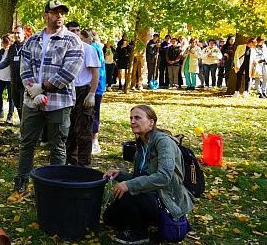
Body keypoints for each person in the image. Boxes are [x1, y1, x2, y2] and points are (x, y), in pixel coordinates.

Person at [10, 0, 84, 199]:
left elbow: (69, 72)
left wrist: (42, 87)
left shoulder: (72, 41)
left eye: (62, 13)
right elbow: (24, 68)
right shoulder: (32, 40)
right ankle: (21, 184)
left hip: (59, 102)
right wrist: (32, 90)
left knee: (58, 145)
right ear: (46, 15)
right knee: (27, 143)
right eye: (54, 12)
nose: (59, 16)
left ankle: (55, 188)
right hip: (32, 101)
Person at [103, 105, 194, 244]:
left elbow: (164, 177)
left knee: (128, 196)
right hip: (149, 195)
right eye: (131, 118)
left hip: (166, 199)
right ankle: (143, 222)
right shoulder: (141, 144)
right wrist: (120, 175)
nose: (132, 121)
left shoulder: (163, 142)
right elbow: (141, 178)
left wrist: (129, 185)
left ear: (151, 122)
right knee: (109, 218)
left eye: (137, 117)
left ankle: (139, 234)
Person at [65, 22, 99, 167]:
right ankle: (70, 160)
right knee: (68, 128)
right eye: (72, 30)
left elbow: (95, 72)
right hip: (67, 90)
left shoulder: (88, 49)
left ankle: (84, 164)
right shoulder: (63, 49)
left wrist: (91, 93)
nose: (76, 33)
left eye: (78, 30)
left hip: (83, 91)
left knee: (84, 129)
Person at [0, 25, 26, 120]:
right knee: (17, 105)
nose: (17, 35)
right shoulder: (12, 48)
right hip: (14, 81)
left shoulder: (28, 46)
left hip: (25, 83)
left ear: (24, 34)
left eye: (19, 33)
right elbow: (6, 62)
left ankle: (24, 128)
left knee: (24, 106)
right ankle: (22, 125)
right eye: (15, 33)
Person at [85, 29, 106, 155]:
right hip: (97, 86)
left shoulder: (93, 48)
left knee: (94, 114)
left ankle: (95, 141)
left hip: (96, 87)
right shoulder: (96, 47)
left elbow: (96, 70)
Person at [0, 34, 14, 123]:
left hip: (10, 78)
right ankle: (0, 112)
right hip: (1, 77)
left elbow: (6, 63)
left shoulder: (12, 51)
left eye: (5, 43)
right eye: (2, 43)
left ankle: (10, 115)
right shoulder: (1, 51)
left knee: (11, 97)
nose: (3, 45)